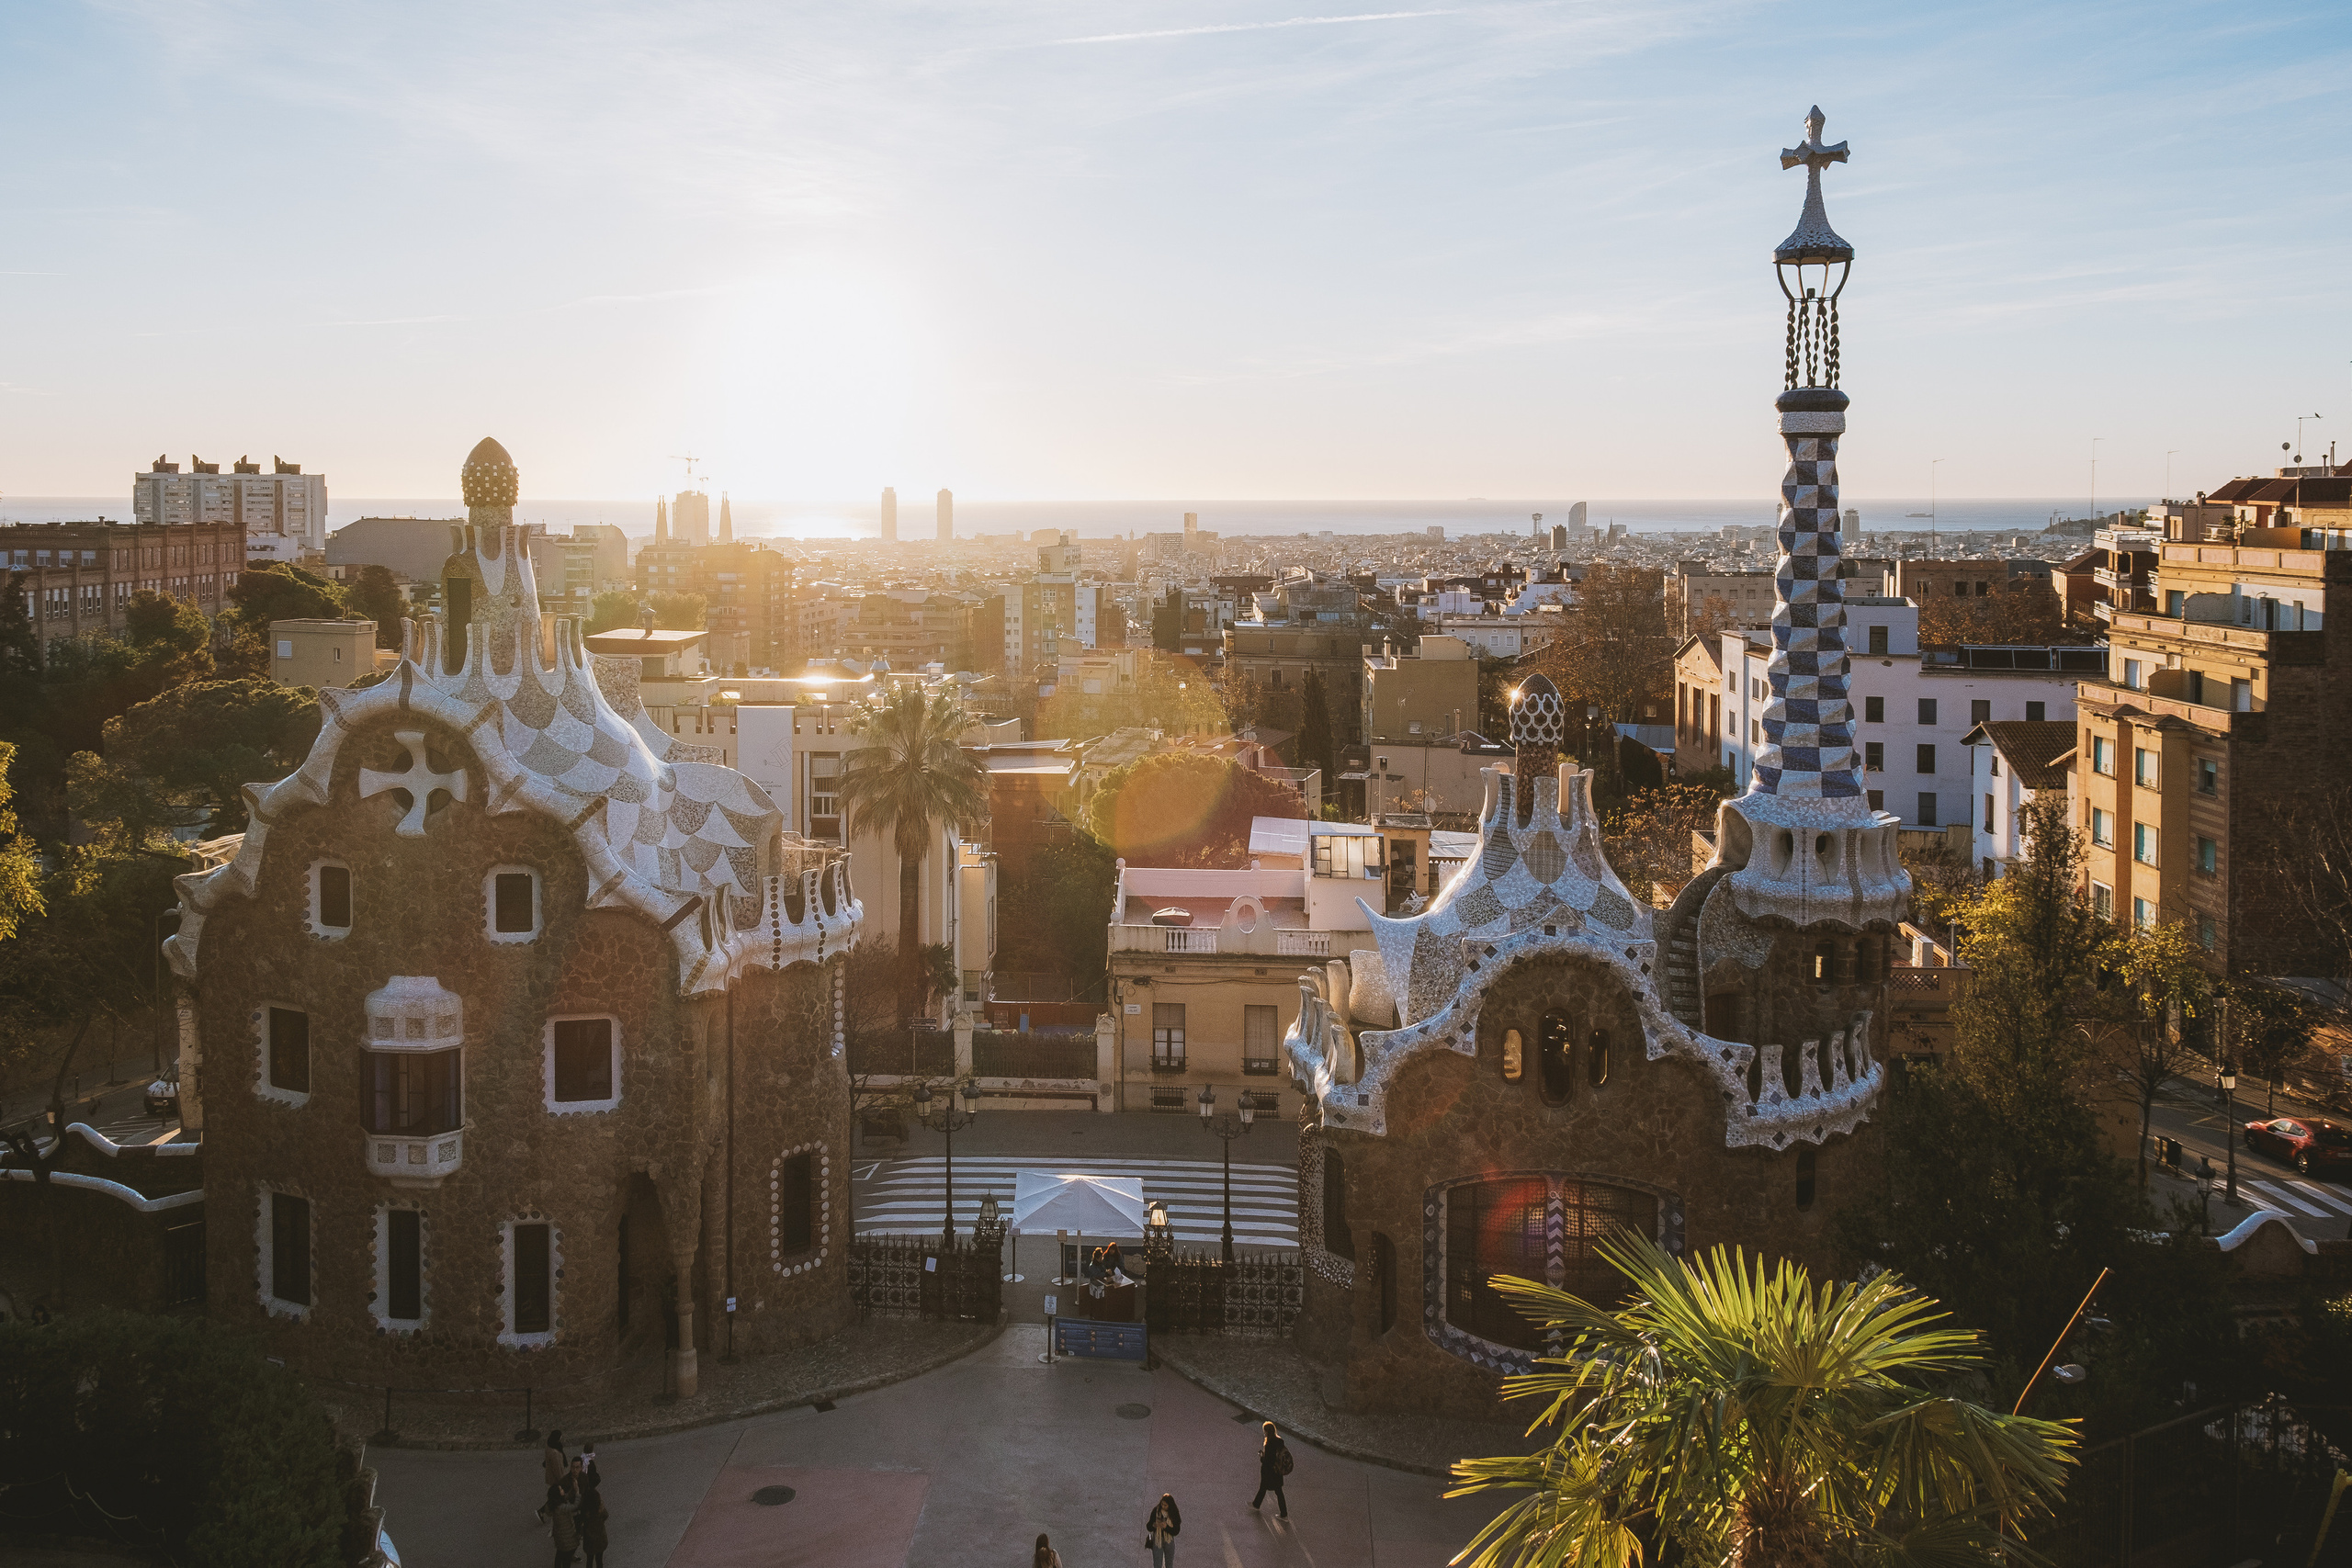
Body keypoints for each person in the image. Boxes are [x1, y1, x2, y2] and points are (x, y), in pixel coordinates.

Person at [1251, 1422, 1291, 1519]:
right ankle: (1283, 1513)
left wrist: (1261, 1457)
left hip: (1269, 1472)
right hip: (1278, 1471)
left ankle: (1256, 1505)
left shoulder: (1269, 1444)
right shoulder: (1280, 1441)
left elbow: (1268, 1460)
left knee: (1263, 1487)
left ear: (1267, 1431)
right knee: (1279, 1492)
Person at [537, 1429, 568, 1523]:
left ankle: (543, 1511)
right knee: (556, 1496)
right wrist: (563, 1480)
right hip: (556, 1479)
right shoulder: (555, 1453)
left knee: (555, 1496)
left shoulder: (550, 1445)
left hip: (551, 1476)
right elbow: (557, 1469)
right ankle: (542, 1511)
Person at [548, 1481, 581, 1568]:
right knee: (566, 1558)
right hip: (566, 1537)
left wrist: (573, 1490)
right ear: (558, 1494)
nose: (563, 1490)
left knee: (560, 1553)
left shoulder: (556, 1504)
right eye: (561, 1490)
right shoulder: (561, 1508)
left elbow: (566, 1496)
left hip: (560, 1537)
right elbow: (574, 1506)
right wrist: (577, 1493)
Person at [1144, 1492, 1182, 1566]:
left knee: (1169, 1563)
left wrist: (1166, 1527)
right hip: (1158, 1540)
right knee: (1157, 1564)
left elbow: (1176, 1531)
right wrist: (1154, 1525)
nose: (1163, 1506)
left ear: (1170, 1505)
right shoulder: (1156, 1511)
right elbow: (1148, 1526)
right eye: (1162, 1504)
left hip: (1169, 1540)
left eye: (1165, 1505)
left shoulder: (1174, 1513)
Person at [579, 1486, 610, 1568]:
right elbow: (606, 1516)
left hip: (589, 1541)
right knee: (599, 1560)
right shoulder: (600, 1511)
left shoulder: (585, 1513)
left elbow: (581, 1521)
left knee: (589, 1560)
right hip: (600, 1539)